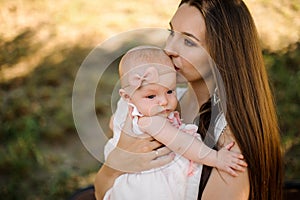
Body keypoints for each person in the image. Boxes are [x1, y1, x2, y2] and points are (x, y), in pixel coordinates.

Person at [95, 0, 283, 200]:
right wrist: (114, 166)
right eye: (171, 32)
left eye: (189, 41)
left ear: (222, 54)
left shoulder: (229, 143)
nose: (169, 49)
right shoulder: (159, 101)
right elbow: (100, 191)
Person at [103, 46, 247, 200]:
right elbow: (182, 144)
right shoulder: (151, 121)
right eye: (151, 96)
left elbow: (113, 124)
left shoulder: (132, 111)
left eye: (170, 91)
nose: (164, 101)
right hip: (150, 192)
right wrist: (216, 158)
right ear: (127, 97)